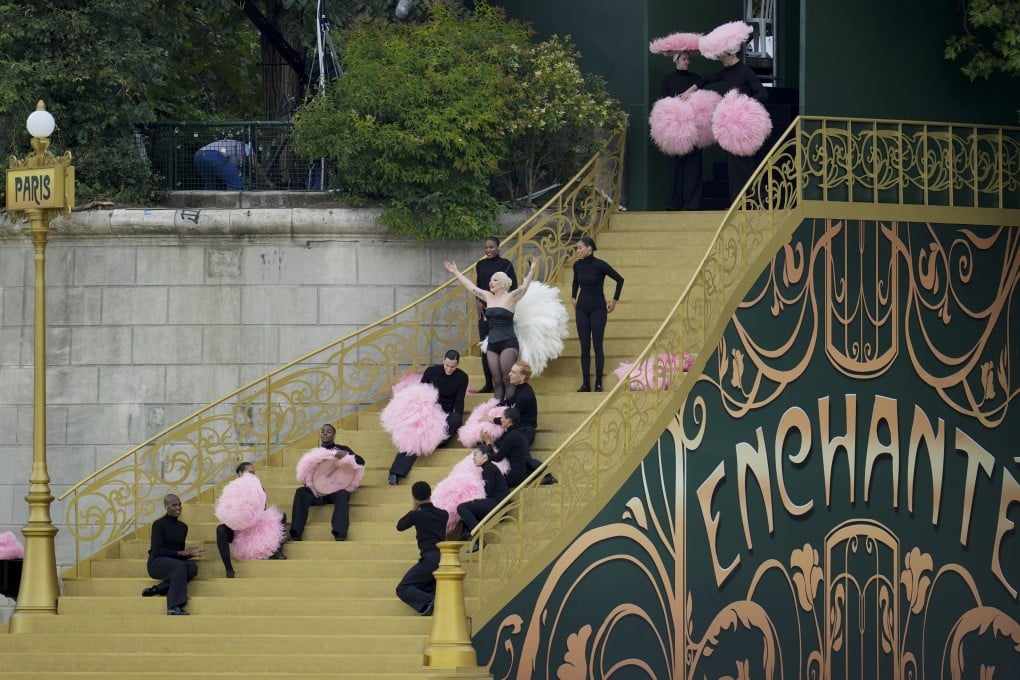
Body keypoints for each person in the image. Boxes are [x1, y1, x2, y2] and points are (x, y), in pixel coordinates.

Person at [443, 256, 540, 402]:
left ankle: (510, 412)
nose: (490, 283)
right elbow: (471, 287)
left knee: (508, 379)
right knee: (497, 381)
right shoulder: (488, 296)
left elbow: (525, 287)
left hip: (508, 342)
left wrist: (532, 270)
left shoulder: (511, 297)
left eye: (494, 280)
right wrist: (456, 272)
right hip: (492, 344)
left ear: (503, 283)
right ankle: (497, 413)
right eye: (490, 280)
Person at [680, 47, 768, 201]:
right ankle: (738, 202)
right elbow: (706, 79)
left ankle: (756, 198)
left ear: (730, 54)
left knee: (745, 162)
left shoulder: (745, 71)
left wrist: (745, 105)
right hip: (730, 125)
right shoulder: (726, 72)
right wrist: (689, 91)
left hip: (744, 124)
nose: (721, 60)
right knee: (733, 164)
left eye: (722, 57)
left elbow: (763, 93)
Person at [388, 349, 469, 486]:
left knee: (456, 419)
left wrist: (458, 421)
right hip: (429, 412)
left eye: (453, 366)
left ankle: (436, 440)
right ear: (443, 360)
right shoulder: (432, 371)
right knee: (415, 436)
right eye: (447, 365)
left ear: (458, 364)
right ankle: (396, 472)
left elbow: (459, 403)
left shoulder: (462, 377)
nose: (449, 369)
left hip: (446, 417)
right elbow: (419, 393)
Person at [289, 424, 365, 541]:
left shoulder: (342, 449)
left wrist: (347, 455)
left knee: (343, 494)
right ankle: (295, 532)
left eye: (328, 431)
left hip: (336, 490)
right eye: (323, 431)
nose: (325, 433)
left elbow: (361, 461)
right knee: (301, 492)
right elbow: (306, 473)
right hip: (319, 492)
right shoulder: (314, 453)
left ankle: (339, 532)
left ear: (334, 436)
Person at [215, 461, 286, 579]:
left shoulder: (259, 487)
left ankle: (277, 550)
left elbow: (262, 509)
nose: (252, 475)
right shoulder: (232, 488)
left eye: (254, 472)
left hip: (255, 524)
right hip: (238, 526)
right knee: (220, 530)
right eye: (249, 472)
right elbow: (227, 510)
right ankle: (228, 568)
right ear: (240, 473)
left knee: (281, 516)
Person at [571, 236, 624, 392]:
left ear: (590, 248)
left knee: (597, 344)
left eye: (580, 248)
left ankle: (598, 382)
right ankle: (586, 383)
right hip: (581, 308)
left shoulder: (600, 265)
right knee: (584, 346)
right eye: (577, 248)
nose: (578, 251)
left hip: (598, 308)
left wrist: (614, 300)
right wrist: (573, 296)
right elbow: (575, 282)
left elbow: (620, 279)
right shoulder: (577, 265)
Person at [142, 494, 204, 615]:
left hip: (172, 562)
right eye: (174, 505)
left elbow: (178, 554)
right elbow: (157, 550)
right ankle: (174, 606)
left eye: (180, 504)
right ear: (166, 506)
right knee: (179, 567)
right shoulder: (158, 525)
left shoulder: (183, 527)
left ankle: (159, 589)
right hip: (156, 562)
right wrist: (181, 553)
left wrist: (190, 554)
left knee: (192, 568)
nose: (178, 507)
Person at [395, 481, 448, 616]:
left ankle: (434, 601)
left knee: (403, 588)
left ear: (414, 497)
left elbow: (400, 526)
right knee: (426, 585)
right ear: (430, 494)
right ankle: (427, 607)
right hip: (445, 557)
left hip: (430, 557)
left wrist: (414, 508)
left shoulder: (417, 515)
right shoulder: (443, 514)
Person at [659, 51, 703, 210]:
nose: (687, 61)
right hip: (675, 129)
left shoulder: (696, 79)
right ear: (676, 60)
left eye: (689, 59)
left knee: (694, 168)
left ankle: (692, 204)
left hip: (693, 128)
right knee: (674, 169)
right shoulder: (668, 79)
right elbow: (663, 103)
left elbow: (701, 102)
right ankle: (674, 204)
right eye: (684, 59)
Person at [475, 237, 518, 393]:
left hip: (501, 313)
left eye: (491, 247)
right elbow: (478, 286)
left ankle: (508, 382)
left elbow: (514, 287)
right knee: (485, 348)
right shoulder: (480, 265)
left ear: (498, 248)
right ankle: (488, 383)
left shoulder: (506, 264)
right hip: (485, 311)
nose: (488, 250)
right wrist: (478, 302)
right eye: (486, 247)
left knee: (502, 348)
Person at [455, 445, 509, 539]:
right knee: (468, 506)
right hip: (497, 503)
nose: (473, 458)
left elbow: (487, 491)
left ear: (485, 456)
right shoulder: (488, 467)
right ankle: (467, 532)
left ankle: (478, 539)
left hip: (498, 504)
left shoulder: (489, 468)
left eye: (476, 454)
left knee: (461, 507)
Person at [193, 138, 273, 191]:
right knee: (236, 184)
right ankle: (233, 209)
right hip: (214, 155)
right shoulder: (247, 148)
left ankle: (209, 208)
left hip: (199, 155)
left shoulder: (232, 147)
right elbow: (257, 165)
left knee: (211, 186)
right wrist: (267, 181)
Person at [482, 407, 533, 489]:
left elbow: (497, 457)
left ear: (508, 420)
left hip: (515, 476)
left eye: (502, 417)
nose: (500, 419)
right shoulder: (515, 432)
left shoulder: (512, 436)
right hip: (519, 472)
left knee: (490, 482)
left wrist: (488, 442)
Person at [502, 360, 537, 444]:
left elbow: (512, 417)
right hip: (519, 428)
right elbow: (510, 401)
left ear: (522, 377)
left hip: (524, 432)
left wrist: (491, 419)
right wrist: (493, 406)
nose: (509, 374)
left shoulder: (525, 394)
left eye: (513, 372)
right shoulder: (521, 388)